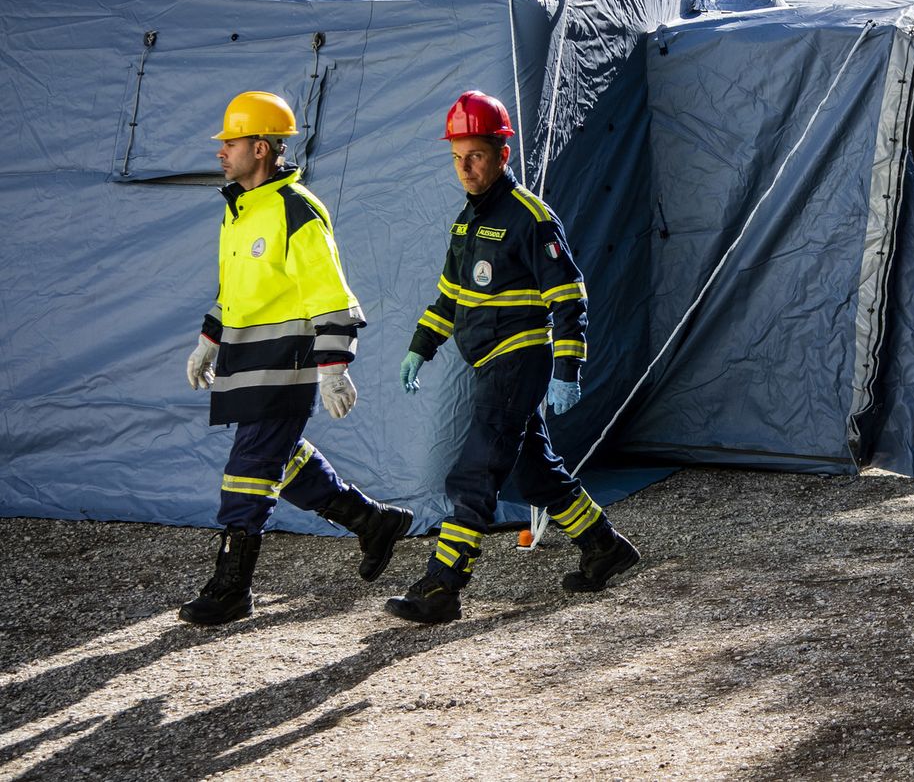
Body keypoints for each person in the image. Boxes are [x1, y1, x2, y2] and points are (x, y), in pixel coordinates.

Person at [385, 90, 639, 624]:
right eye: (457, 157)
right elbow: (450, 297)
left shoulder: (530, 217)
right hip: (487, 363)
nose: (465, 169)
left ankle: (443, 586)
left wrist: (567, 371)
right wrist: (419, 347)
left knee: (476, 468)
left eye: (475, 156)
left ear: (503, 153)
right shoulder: (466, 222)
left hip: (518, 358)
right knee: (537, 473)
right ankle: (606, 548)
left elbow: (569, 296)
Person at [180, 91, 412, 626]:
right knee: (280, 459)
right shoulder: (238, 212)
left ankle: (231, 589)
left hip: (286, 365)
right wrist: (209, 340)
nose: (221, 151)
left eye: (230, 142)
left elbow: (328, 293)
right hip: (247, 363)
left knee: (248, 471)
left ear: (261, 148)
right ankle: (372, 522)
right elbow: (235, 291)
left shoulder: (296, 209)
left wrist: (334, 367)